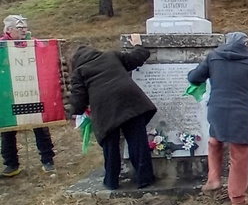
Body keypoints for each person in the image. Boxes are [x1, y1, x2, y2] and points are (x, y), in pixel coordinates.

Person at [188, 32, 248, 205]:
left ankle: (213, 179)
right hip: (240, 112)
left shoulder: (213, 57)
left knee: (214, 141)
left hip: (217, 109)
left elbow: (194, 78)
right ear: (245, 44)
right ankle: (237, 198)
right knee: (239, 153)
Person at [69, 34, 156, 190]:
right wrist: (138, 44)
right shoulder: (111, 56)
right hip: (130, 100)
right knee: (138, 141)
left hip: (105, 109)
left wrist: (75, 112)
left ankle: (111, 181)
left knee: (110, 146)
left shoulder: (79, 71)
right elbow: (136, 58)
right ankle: (145, 178)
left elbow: (78, 96)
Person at [1, 15, 56, 177]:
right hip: (9, 94)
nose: (24, 31)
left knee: (39, 125)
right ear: (9, 30)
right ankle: (11, 164)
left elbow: (45, 58)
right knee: (8, 129)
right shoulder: (1, 46)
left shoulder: (34, 43)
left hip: (32, 91)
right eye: (20, 28)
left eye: (25, 28)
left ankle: (47, 160)